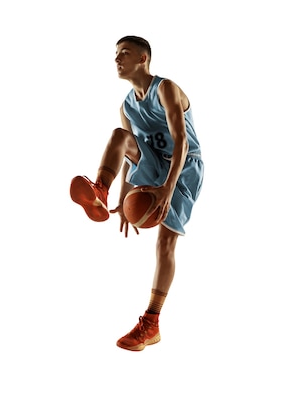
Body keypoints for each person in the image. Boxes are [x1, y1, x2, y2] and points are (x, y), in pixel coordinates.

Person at [70, 36, 204, 351]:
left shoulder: (166, 89)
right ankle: (100, 189)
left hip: (183, 168)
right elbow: (133, 156)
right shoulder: (126, 106)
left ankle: (151, 323)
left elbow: (181, 140)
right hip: (153, 163)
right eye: (115, 54)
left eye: (124, 53)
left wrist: (167, 190)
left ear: (143, 58)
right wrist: (122, 197)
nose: (117, 59)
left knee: (165, 243)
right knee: (120, 136)